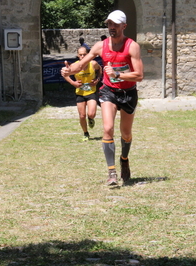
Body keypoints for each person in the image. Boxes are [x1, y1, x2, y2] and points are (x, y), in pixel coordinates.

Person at [61, 10, 144, 186]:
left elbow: (139, 75)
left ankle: (124, 159)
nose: (111, 27)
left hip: (128, 93)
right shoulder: (101, 46)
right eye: (109, 24)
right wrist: (69, 70)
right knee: (107, 129)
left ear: (124, 26)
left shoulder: (132, 46)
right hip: (109, 91)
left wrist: (118, 74)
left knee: (126, 133)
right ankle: (111, 172)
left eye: (115, 24)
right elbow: (82, 64)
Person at [63, 46, 102, 141]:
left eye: (84, 54)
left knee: (91, 114)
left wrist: (97, 80)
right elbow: (65, 74)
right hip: (80, 92)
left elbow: (100, 70)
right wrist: (73, 83)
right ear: (77, 55)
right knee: (82, 115)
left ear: (88, 54)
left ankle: (91, 119)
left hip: (91, 91)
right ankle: (85, 133)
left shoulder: (93, 64)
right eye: (80, 55)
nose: (82, 56)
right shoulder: (75, 66)